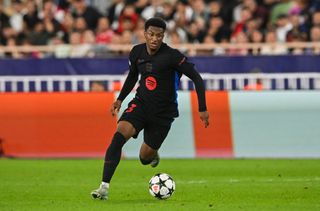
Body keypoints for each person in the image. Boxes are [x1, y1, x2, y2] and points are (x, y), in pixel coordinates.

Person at [91, 17, 210, 200]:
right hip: (141, 104)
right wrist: (120, 99)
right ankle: (104, 187)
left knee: (144, 158)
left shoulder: (173, 56)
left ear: (164, 36)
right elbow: (132, 77)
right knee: (118, 136)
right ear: (145, 33)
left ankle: (153, 155)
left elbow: (197, 78)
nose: (155, 39)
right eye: (151, 34)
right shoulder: (136, 52)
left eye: (159, 35)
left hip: (163, 113)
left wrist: (202, 108)